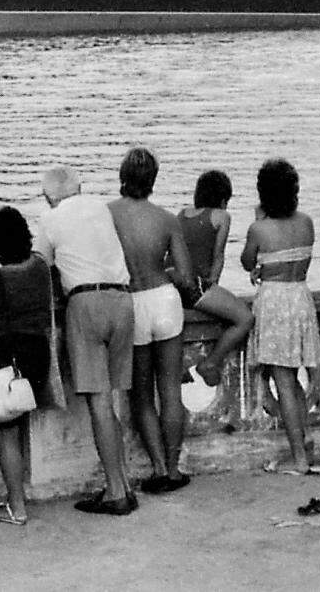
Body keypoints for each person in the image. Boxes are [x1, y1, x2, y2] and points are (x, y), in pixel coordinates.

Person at [35, 166, 137, 517]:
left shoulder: (49, 219)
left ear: (48, 196)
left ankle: (115, 491)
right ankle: (124, 481)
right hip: (123, 301)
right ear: (80, 188)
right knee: (114, 401)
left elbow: (42, 267)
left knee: (99, 404)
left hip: (85, 302)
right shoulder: (99, 207)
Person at [109, 147, 193, 494]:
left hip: (133, 301)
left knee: (142, 395)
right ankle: (173, 469)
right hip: (165, 300)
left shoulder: (108, 214)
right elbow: (186, 276)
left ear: (122, 177)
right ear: (154, 180)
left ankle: (158, 468)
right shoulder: (166, 219)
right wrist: (166, 271)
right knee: (171, 391)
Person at [0, 207, 52, 525]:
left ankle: (16, 506)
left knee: (6, 431)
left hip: (4, 364)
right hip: (37, 356)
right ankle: (18, 499)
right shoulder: (41, 267)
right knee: (18, 423)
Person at [240, 158, 320, 476]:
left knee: (284, 382)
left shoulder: (258, 228)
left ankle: (300, 459)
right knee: (294, 379)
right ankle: (305, 446)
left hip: (274, 302)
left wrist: (258, 222)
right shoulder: (306, 222)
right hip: (300, 297)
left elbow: (248, 262)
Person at [175, 170, 253, 388]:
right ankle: (212, 362)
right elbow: (217, 257)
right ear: (223, 198)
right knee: (245, 318)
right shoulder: (222, 217)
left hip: (174, 282)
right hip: (195, 284)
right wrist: (213, 288)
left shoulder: (182, 214)